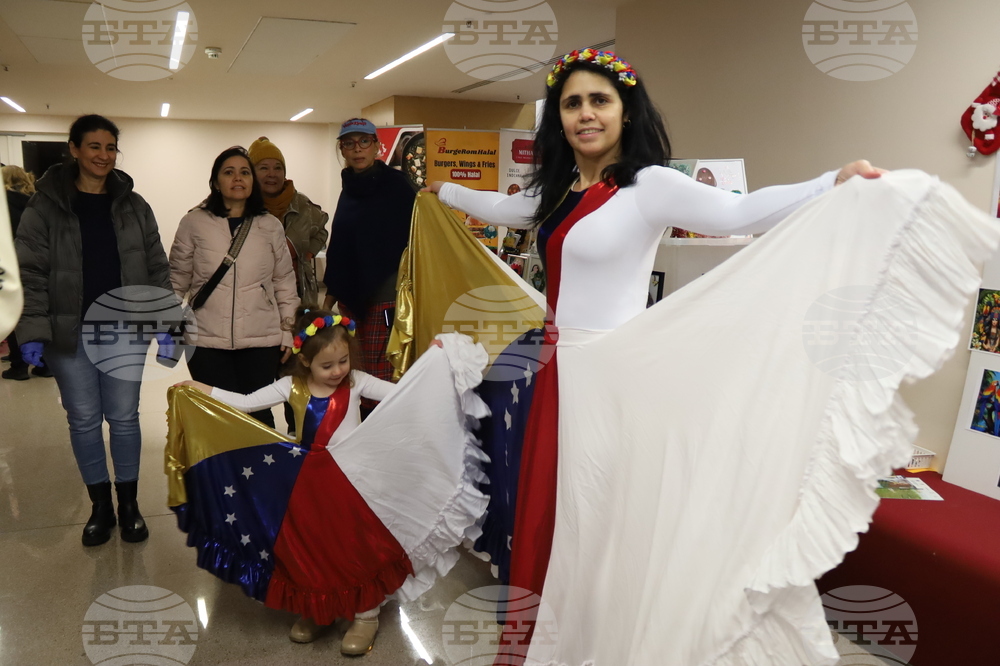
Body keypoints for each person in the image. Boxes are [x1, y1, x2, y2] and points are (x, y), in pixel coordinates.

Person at [426, 48, 889, 664]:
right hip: (559, 373)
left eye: (599, 101)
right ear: (557, 118)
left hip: (616, 376)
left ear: (625, 110)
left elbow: (740, 213)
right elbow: (507, 209)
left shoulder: (651, 185)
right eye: (572, 104)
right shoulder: (562, 190)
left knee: (610, 519)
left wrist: (830, 183)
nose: (585, 115)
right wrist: (446, 189)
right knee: (566, 520)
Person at [172, 310, 486, 656]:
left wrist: (434, 362)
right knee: (313, 547)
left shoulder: (358, 382)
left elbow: (405, 395)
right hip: (307, 485)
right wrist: (201, 389)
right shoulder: (289, 386)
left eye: (343, 361)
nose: (338, 371)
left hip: (354, 484)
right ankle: (319, 609)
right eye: (327, 365)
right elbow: (246, 403)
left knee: (356, 546)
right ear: (304, 361)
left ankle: (366, 614)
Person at [14, 114, 172, 546]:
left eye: (110, 147)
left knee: (123, 419)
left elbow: (157, 266)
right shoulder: (45, 205)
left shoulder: (134, 206)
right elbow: (29, 271)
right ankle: (99, 506)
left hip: (125, 331)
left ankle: (130, 505)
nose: (103, 155)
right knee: (83, 420)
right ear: (75, 149)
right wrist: (30, 330)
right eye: (95, 147)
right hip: (70, 332)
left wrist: (167, 323)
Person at [169, 146, 299, 428]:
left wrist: (288, 331)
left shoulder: (270, 225)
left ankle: (262, 472)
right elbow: (177, 279)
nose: (237, 178)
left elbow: (284, 283)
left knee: (259, 415)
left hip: (261, 340)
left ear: (252, 181)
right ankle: (220, 473)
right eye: (229, 172)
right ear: (216, 182)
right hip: (205, 340)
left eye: (244, 172)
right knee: (216, 417)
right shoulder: (194, 223)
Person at [323, 118, 415, 411]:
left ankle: (382, 439)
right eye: (349, 143)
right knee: (351, 370)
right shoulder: (348, 188)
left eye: (364, 141)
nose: (357, 149)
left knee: (381, 375)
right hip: (351, 301)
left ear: (377, 146)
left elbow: (419, 238)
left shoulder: (398, 186)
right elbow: (341, 246)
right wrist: (328, 301)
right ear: (342, 149)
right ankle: (357, 433)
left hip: (386, 299)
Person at [248, 137, 329, 308]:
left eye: (278, 168)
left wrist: (307, 254)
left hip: (299, 295)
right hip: (254, 299)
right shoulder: (242, 206)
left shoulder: (302, 205)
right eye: (264, 168)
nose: (272, 174)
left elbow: (321, 229)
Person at [2, 165, 52, 380]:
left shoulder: (4, 204)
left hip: (13, 265)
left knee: (14, 313)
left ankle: (19, 365)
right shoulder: (38, 201)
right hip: (41, 264)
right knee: (40, 312)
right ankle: (45, 363)